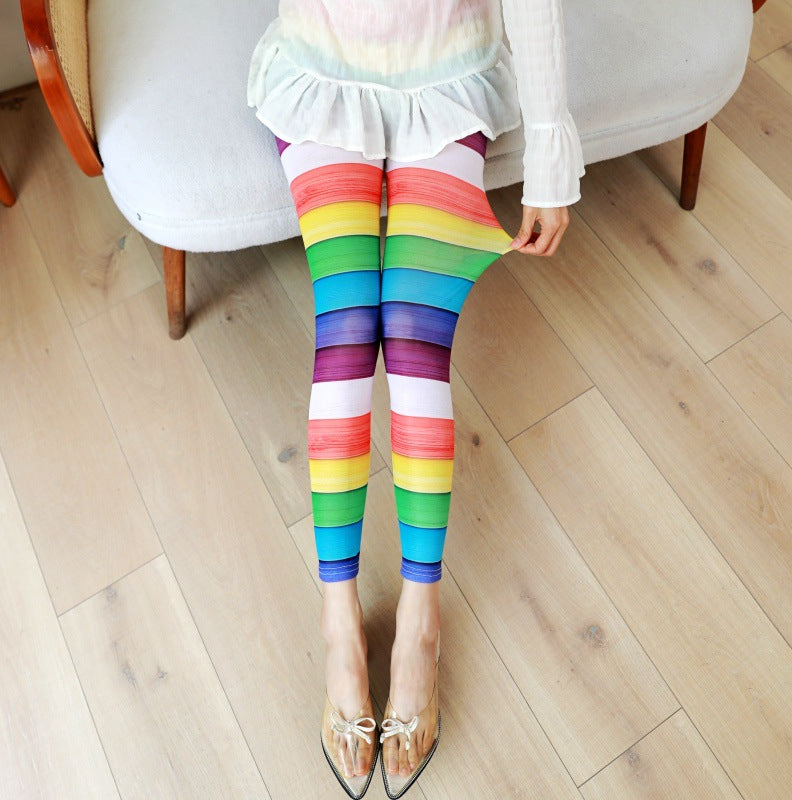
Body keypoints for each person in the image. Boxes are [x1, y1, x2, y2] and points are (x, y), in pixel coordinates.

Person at [246, 1, 585, 797]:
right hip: (323, 71)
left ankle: (420, 621)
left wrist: (549, 154)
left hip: (446, 83)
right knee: (345, 327)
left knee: (414, 343)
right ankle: (338, 622)